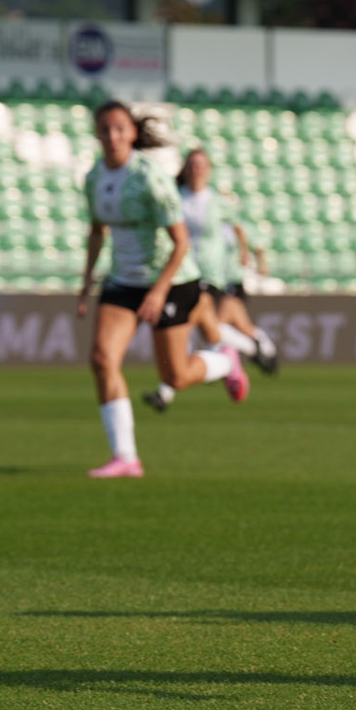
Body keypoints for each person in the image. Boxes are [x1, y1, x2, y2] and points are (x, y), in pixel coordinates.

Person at [77, 101, 247, 478]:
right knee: (103, 359)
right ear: (97, 133)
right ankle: (126, 457)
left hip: (170, 281)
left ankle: (226, 360)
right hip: (122, 282)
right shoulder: (93, 178)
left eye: (119, 128)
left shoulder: (150, 178)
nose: (112, 136)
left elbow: (181, 242)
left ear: (132, 133)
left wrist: (158, 290)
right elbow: (96, 231)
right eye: (104, 129)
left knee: (176, 377)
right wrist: (86, 282)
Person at [143, 148, 279, 413]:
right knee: (197, 329)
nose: (197, 170)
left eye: (202, 165)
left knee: (189, 322)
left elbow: (240, 226)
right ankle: (243, 351)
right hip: (179, 271)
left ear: (209, 170)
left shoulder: (217, 201)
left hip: (207, 274)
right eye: (192, 165)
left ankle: (168, 389)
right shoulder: (177, 196)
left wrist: (245, 253)